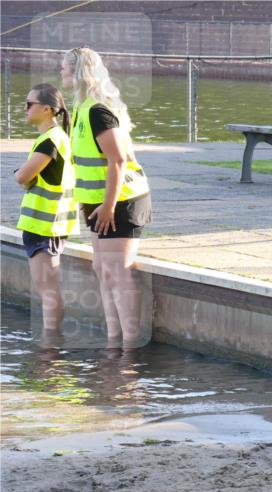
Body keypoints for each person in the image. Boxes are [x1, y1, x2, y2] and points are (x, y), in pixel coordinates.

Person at [61, 47, 152, 348]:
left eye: (64, 68)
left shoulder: (97, 111)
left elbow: (117, 161)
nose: (61, 73)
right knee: (102, 268)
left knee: (118, 270)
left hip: (120, 201)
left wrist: (109, 206)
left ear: (78, 72)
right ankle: (114, 341)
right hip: (97, 203)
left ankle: (130, 347)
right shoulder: (80, 109)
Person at [14, 83, 77, 343]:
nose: (25, 109)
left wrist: (22, 176)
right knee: (46, 289)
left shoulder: (51, 140)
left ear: (48, 109)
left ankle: (51, 350)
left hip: (45, 225)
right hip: (44, 225)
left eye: (30, 104)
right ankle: (51, 346)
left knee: (48, 290)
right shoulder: (53, 138)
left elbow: (23, 176)